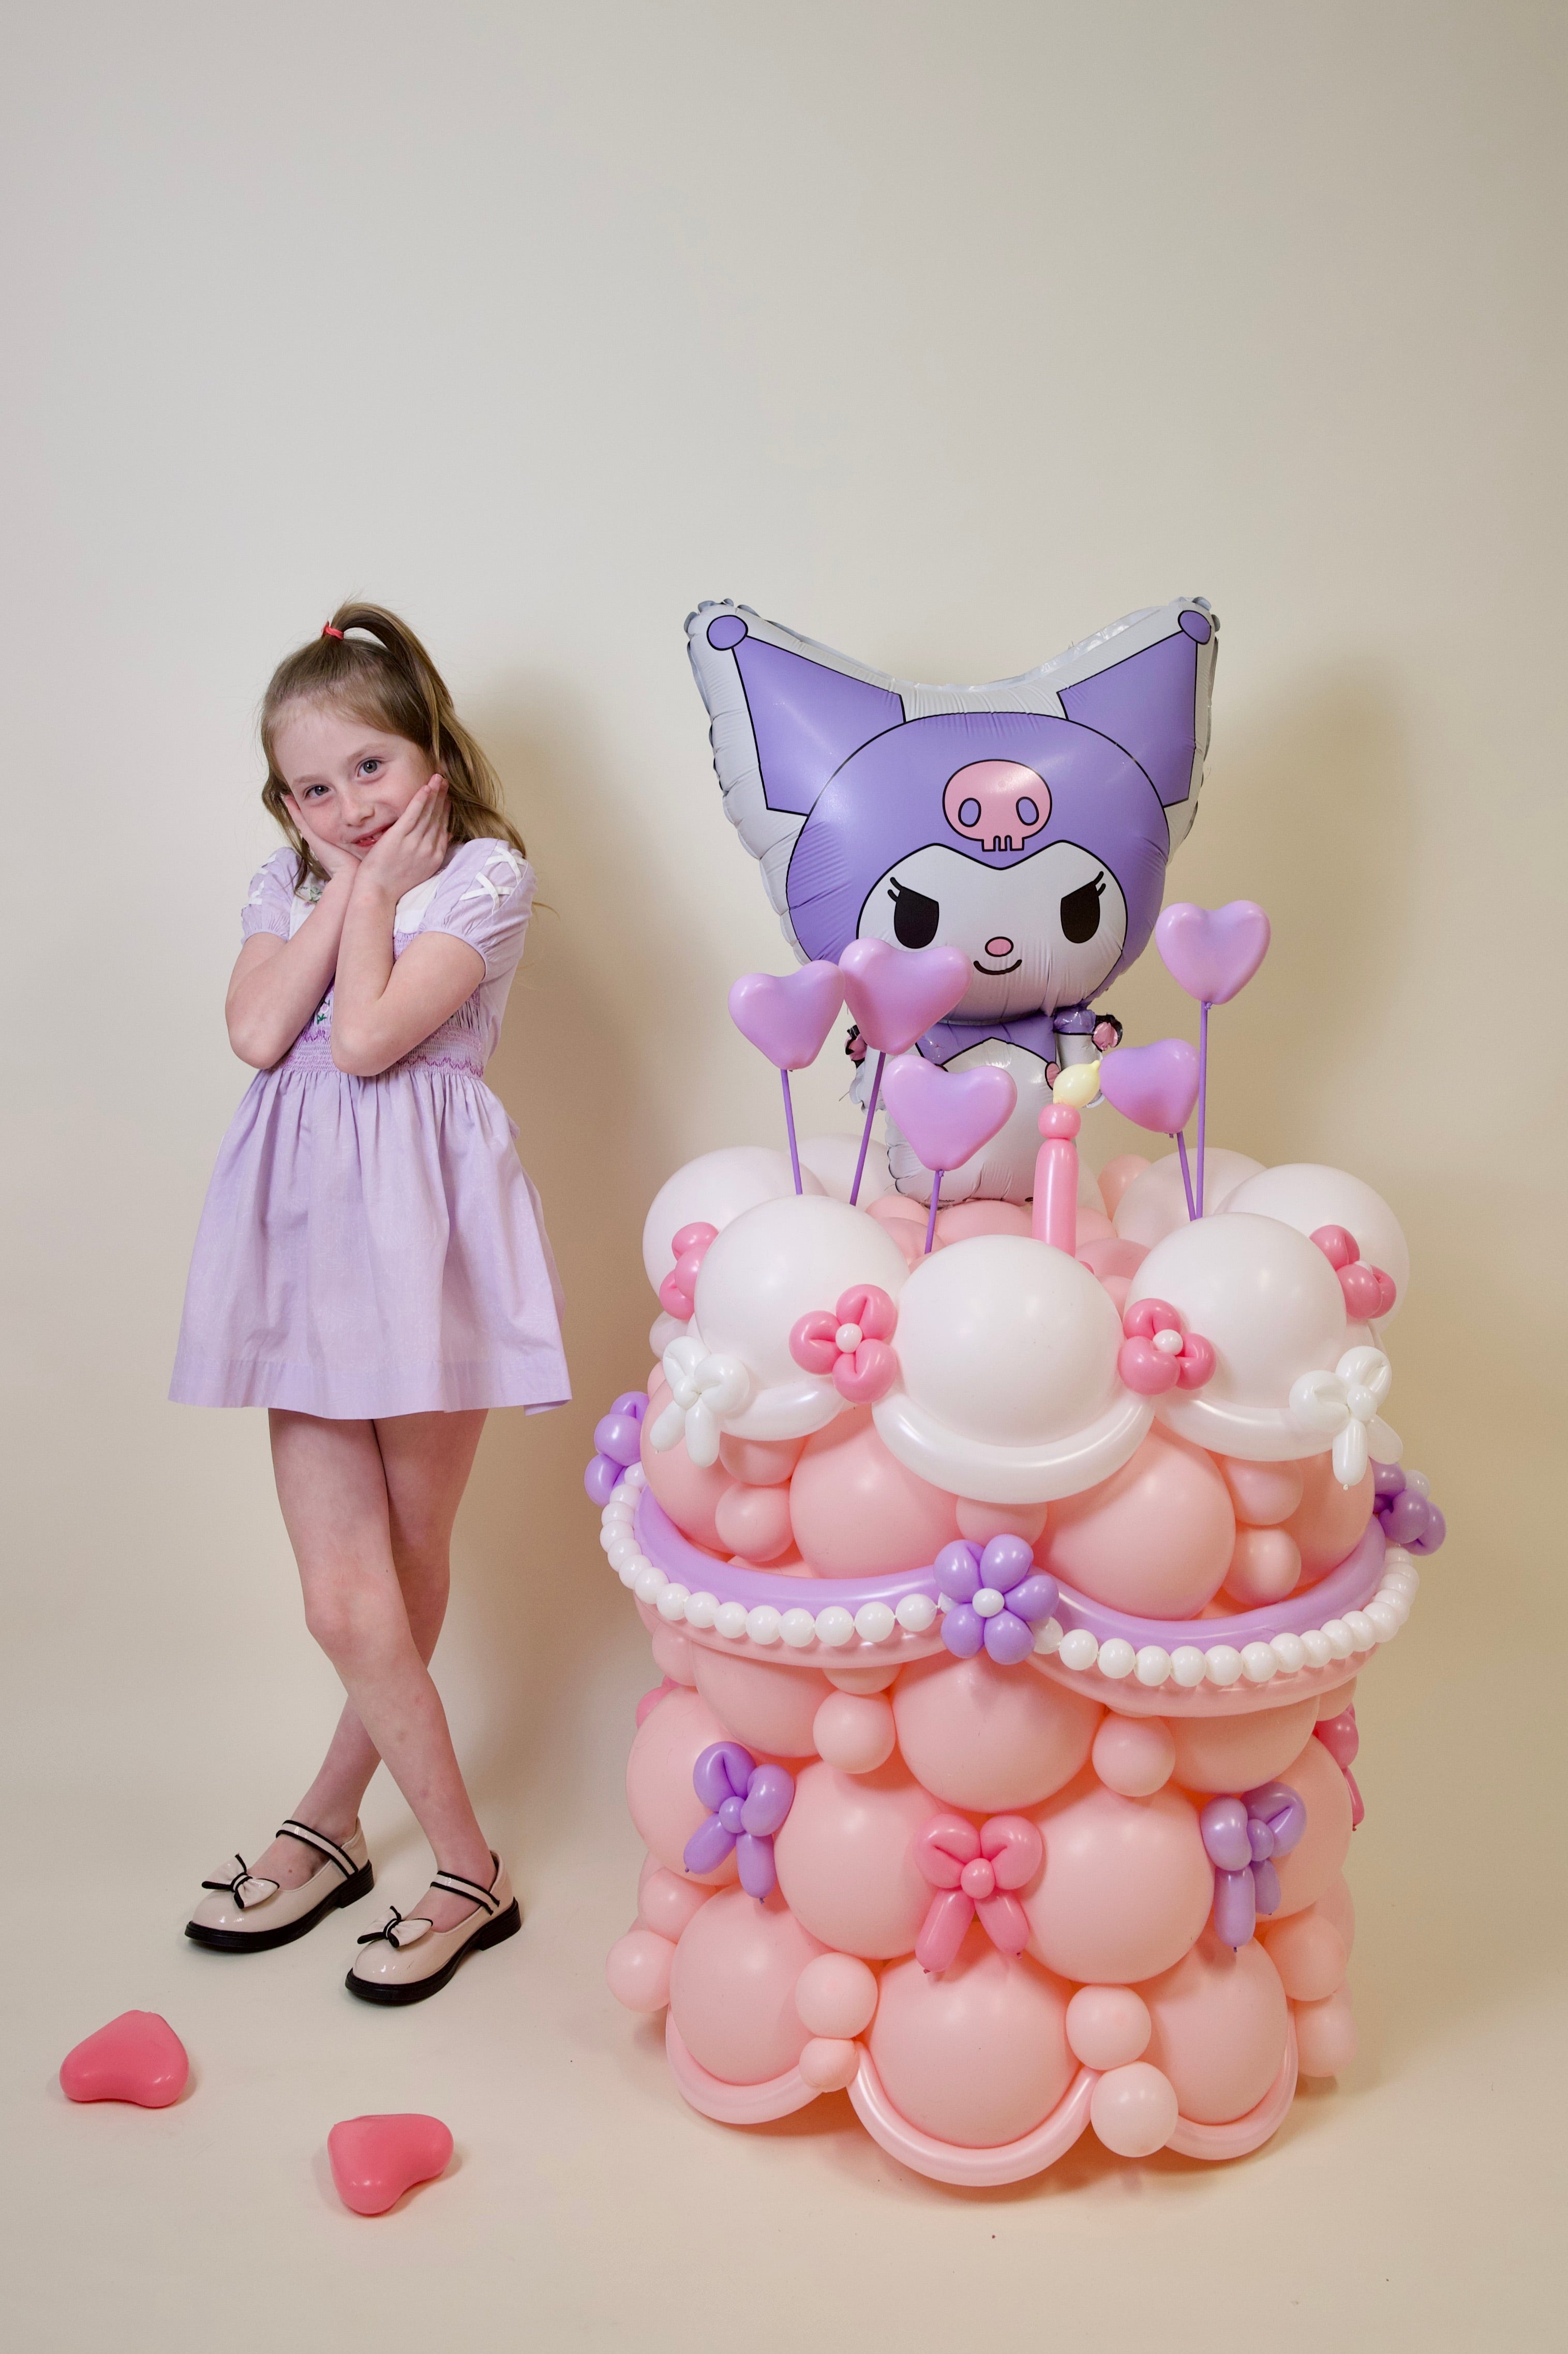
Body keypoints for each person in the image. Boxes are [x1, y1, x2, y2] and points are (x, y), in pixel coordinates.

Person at [172, 604, 569, 2004]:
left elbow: (366, 1038)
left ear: (434, 761)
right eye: (312, 786)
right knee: (347, 1597)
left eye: (371, 771)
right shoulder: (286, 891)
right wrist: (346, 888)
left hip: (425, 1233)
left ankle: (331, 1823)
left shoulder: (484, 879)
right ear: (281, 799)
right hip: (299, 1239)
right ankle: (463, 1858)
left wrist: (380, 898)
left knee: (401, 1566)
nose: (344, 805)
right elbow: (259, 1031)